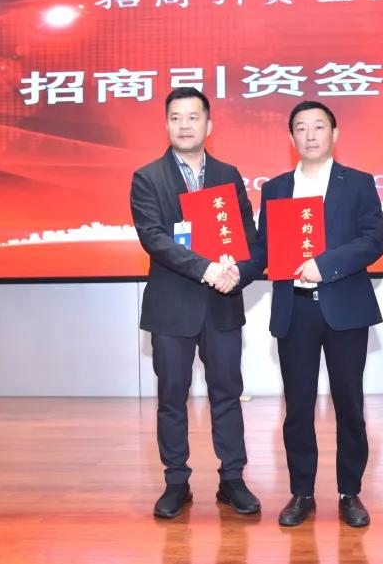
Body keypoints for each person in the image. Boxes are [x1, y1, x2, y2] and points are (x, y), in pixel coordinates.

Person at [236, 100, 383, 527]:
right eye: (301, 128)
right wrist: (235, 271)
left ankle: (349, 493)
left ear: (334, 134)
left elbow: (373, 240)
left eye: (319, 126)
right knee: (298, 408)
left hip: (344, 309)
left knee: (349, 405)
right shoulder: (276, 188)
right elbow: (264, 249)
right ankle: (301, 493)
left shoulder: (358, 183)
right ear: (292, 138)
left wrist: (326, 264)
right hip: (295, 310)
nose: (311, 134)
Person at [129, 87, 260, 519]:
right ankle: (175, 482)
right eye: (176, 117)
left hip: (222, 304)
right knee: (172, 397)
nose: (184, 125)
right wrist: (206, 269)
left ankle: (232, 479)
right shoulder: (148, 178)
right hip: (172, 307)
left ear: (209, 124)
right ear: (166, 124)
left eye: (193, 117)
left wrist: (238, 272)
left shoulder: (227, 174)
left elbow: (247, 236)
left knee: (228, 393)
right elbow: (154, 239)